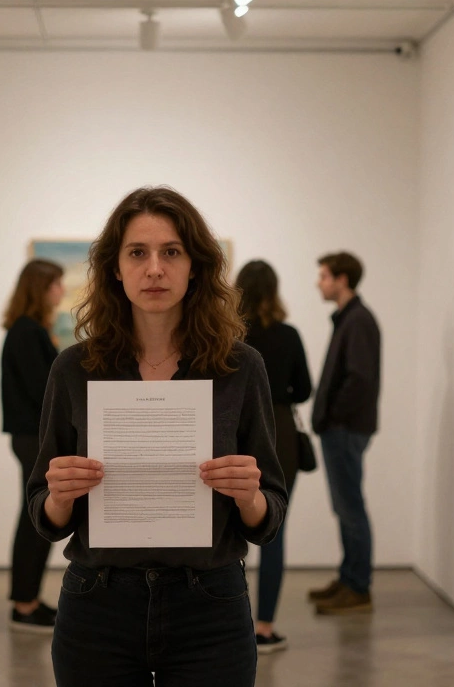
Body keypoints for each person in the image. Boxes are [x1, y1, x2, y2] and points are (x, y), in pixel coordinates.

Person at [27, 187, 288, 687]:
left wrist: (249, 495)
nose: (154, 269)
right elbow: (45, 512)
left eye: (171, 252)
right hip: (97, 606)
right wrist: (59, 496)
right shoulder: (74, 370)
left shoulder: (240, 367)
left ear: (196, 266)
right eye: (137, 253)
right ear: (114, 269)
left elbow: (269, 515)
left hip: (210, 605)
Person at [234, 260, 312, 654]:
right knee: (273, 524)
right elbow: (304, 389)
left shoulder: (229, 335)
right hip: (280, 431)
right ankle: (264, 626)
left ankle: (234, 624)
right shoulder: (288, 334)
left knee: (229, 528)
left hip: (235, 433)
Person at [308, 252, 381, 614]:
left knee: (350, 507)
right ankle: (349, 577)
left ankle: (358, 586)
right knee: (345, 506)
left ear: (342, 279)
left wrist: (333, 417)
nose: (319, 282)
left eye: (323, 276)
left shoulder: (358, 321)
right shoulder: (348, 319)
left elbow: (360, 379)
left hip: (346, 429)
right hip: (343, 428)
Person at [1, 258, 66, 632]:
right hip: (32, 437)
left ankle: (27, 600)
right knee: (34, 517)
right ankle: (24, 605)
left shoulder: (29, 330)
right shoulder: (27, 332)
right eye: (56, 283)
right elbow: (44, 389)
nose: (60, 290)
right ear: (41, 287)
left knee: (34, 516)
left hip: (30, 436)